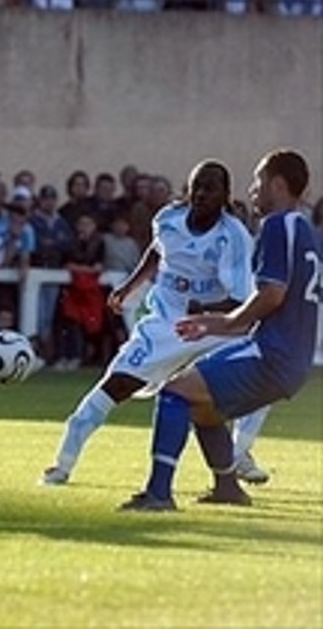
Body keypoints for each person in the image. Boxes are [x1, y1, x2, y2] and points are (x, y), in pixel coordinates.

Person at [120, 148, 320, 511]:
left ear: (277, 184)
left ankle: (159, 494)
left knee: (175, 391)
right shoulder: (303, 228)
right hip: (292, 359)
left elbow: (273, 294)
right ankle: (228, 487)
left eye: (258, 181)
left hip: (272, 354)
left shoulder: (277, 225)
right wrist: (218, 321)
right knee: (203, 407)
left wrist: (228, 322)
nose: (252, 189)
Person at [41, 160, 261, 486]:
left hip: (213, 327)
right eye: (196, 186)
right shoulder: (168, 218)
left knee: (263, 375)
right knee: (114, 385)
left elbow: (241, 301)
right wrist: (131, 285)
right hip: (164, 324)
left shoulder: (234, 237)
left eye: (209, 188)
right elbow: (158, 252)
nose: (200, 194)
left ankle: (240, 452)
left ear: (224, 194)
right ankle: (62, 463)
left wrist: (203, 310)